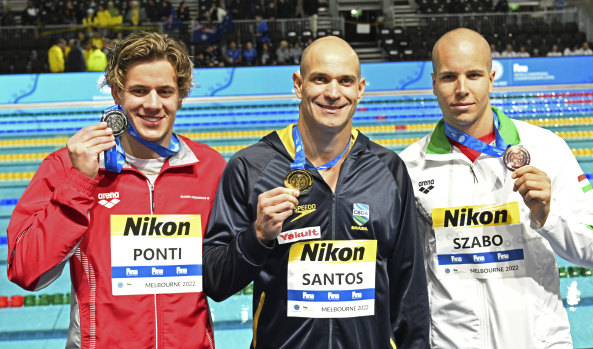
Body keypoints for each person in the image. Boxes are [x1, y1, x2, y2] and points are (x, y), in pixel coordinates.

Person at [203, 35, 429, 349]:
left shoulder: (388, 170)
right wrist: (257, 237)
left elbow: (409, 288)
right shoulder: (250, 167)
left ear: (360, 89)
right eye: (320, 79)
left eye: (345, 81)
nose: (333, 93)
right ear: (298, 84)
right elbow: (215, 281)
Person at [7, 31, 226, 348]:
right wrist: (79, 181)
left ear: (181, 94)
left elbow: (227, 270)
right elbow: (25, 270)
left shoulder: (209, 168)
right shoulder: (67, 166)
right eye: (139, 91)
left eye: (165, 91)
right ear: (117, 94)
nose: (153, 104)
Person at [399, 28, 593, 348]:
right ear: (433, 83)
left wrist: (547, 216)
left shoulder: (546, 148)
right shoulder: (410, 166)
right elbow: (404, 274)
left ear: (491, 77)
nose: (461, 89)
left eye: (473, 75)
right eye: (448, 77)